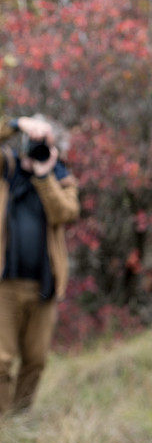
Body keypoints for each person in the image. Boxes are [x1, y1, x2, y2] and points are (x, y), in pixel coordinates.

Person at [0, 114, 80, 415]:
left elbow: (66, 213)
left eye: (45, 144)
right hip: (5, 284)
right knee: (2, 360)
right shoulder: (5, 169)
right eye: (33, 141)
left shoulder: (60, 177)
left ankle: (17, 420)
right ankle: (2, 427)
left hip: (44, 286)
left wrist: (44, 175)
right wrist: (19, 123)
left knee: (36, 360)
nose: (36, 147)